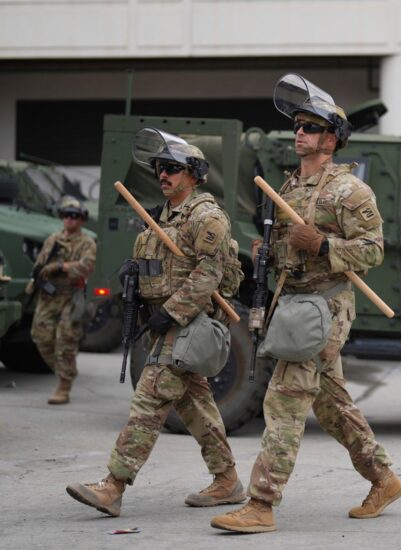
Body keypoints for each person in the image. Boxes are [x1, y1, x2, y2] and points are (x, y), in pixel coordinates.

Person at [211, 74, 401, 534]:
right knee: (333, 406)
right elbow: (287, 245)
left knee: (283, 400)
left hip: (325, 308)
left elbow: (374, 250)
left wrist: (322, 245)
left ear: (332, 139)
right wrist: (269, 250)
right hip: (293, 305)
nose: (300, 132)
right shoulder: (291, 187)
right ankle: (384, 479)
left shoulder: (349, 191)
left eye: (311, 127)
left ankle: (260, 503)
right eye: (298, 125)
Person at [66, 129, 245, 517]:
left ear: (194, 174)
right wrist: (136, 274)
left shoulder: (206, 216)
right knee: (196, 406)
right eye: (160, 168)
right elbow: (161, 268)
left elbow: (208, 275)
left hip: (188, 326)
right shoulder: (159, 218)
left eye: (172, 169)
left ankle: (113, 486)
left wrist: (173, 311)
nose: (162, 175)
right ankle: (227, 481)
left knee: (148, 401)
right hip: (164, 326)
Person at [29, 196, 96, 405]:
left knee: (66, 339)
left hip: (71, 295)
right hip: (49, 295)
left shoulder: (86, 242)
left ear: (82, 219)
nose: (70, 220)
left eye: (75, 216)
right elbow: (40, 263)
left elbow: (86, 267)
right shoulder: (52, 239)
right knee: (40, 336)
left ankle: (64, 385)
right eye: (67, 216)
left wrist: (61, 267)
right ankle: (63, 369)